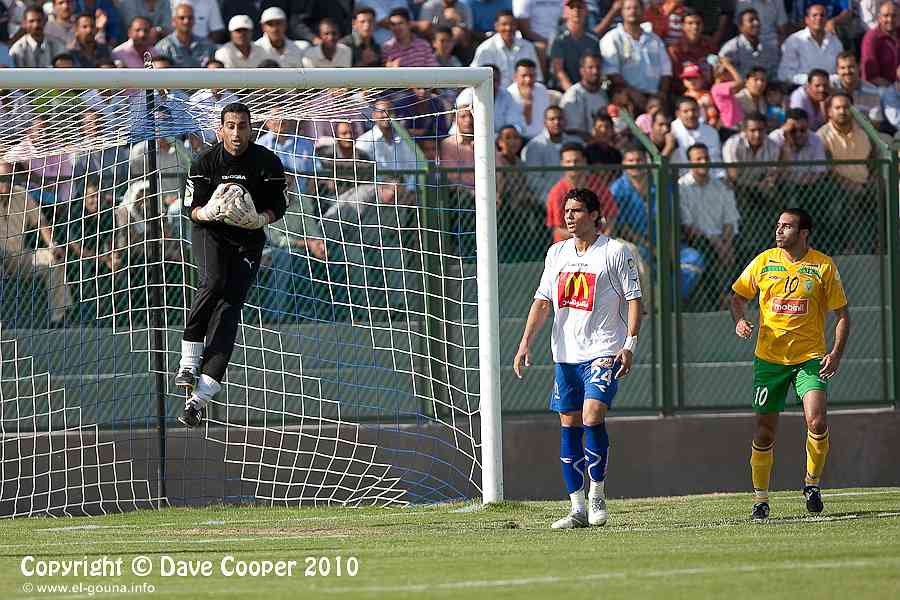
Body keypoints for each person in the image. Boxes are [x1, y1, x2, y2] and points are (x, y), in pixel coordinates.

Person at [514, 187, 642, 529]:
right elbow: (543, 301)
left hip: (603, 350)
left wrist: (629, 344)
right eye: (565, 211)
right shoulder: (556, 253)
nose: (569, 217)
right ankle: (576, 508)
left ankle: (597, 494)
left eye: (576, 211)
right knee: (568, 424)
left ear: (595, 215)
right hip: (566, 354)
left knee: (592, 413)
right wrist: (526, 340)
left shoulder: (615, 252)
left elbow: (633, 298)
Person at [730, 207, 850, 521]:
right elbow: (737, 297)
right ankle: (760, 499)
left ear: (803, 232)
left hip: (810, 359)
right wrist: (740, 320)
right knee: (765, 432)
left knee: (817, 421)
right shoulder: (763, 261)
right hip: (769, 360)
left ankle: (811, 484)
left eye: (787, 226)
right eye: (778, 225)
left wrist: (835, 353)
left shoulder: (823, 266)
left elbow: (842, 316)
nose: (779, 230)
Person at [174, 103, 288, 428]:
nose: (236, 133)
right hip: (210, 232)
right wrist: (208, 212)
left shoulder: (267, 162)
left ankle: (197, 402)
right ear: (220, 128)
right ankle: (188, 362)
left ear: (251, 128)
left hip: (248, 239)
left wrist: (259, 219)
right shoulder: (204, 162)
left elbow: (279, 204)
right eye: (230, 126)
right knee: (213, 281)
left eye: (242, 126)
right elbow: (190, 209)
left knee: (229, 310)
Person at [778, 3, 844, 85]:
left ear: (826, 19)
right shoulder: (794, 41)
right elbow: (784, 74)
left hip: (830, 88)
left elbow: (841, 70)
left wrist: (827, 81)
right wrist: (811, 81)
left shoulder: (835, 41)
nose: (819, 18)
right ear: (807, 20)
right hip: (803, 89)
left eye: (822, 15)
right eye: (814, 15)